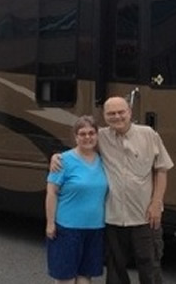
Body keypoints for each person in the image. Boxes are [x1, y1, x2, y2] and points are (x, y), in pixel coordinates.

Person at [51, 96, 174, 284]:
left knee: (150, 266)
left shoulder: (148, 135)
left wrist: (156, 203)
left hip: (144, 216)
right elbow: (82, 145)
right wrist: (57, 156)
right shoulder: (102, 137)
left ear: (130, 112)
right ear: (105, 117)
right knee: (115, 269)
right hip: (113, 218)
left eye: (121, 112)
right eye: (111, 114)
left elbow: (161, 170)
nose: (117, 117)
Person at [46, 115, 108, 284]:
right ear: (75, 137)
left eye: (91, 133)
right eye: (82, 134)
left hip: (95, 228)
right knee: (65, 277)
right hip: (67, 229)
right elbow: (52, 193)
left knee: (85, 276)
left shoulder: (103, 161)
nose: (87, 137)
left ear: (97, 135)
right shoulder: (63, 161)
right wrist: (50, 223)